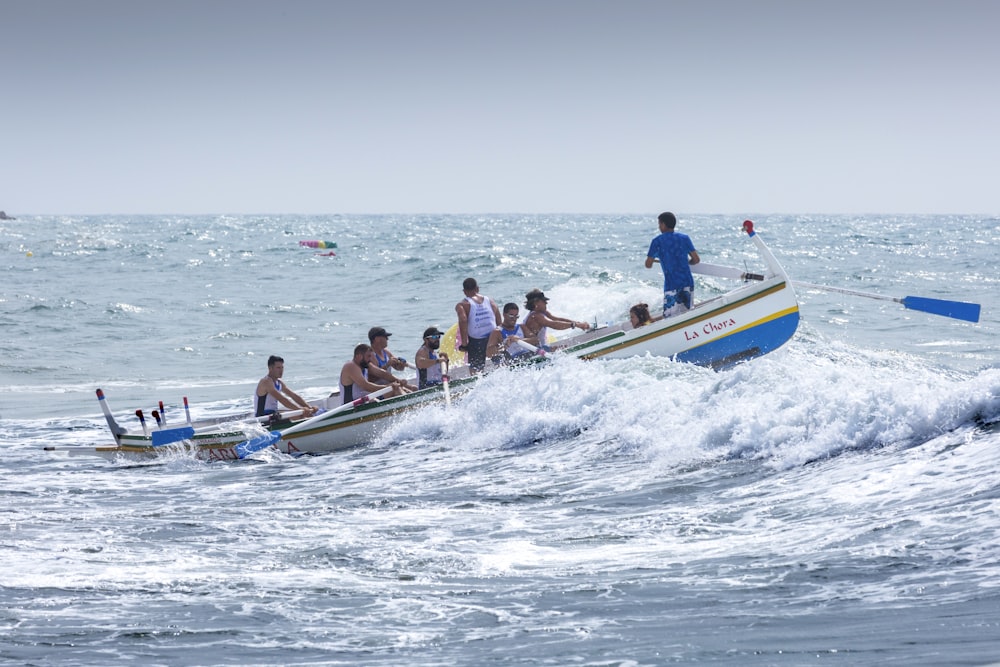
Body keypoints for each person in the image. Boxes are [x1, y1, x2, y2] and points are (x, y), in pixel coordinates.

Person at [644, 211, 700, 318]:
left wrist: (657, 258)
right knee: (688, 315)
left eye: (659, 224)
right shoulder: (685, 238)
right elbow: (696, 260)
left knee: (670, 318)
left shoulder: (657, 241)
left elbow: (648, 264)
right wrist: (686, 262)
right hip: (687, 281)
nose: (659, 227)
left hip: (671, 285)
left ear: (664, 224)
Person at [455, 277, 501, 373]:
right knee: (500, 364)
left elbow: (463, 321)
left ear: (464, 291)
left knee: (476, 371)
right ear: (477, 288)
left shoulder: (462, 305)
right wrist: (500, 336)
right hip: (493, 337)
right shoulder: (490, 300)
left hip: (477, 341)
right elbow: (498, 318)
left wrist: (464, 344)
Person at [521, 288, 590, 351]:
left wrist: (578, 323)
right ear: (535, 303)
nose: (546, 303)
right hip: (535, 351)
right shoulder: (535, 316)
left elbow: (556, 319)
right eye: (544, 301)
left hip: (542, 347)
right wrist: (575, 325)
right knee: (564, 348)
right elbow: (553, 325)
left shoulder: (541, 312)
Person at [337, 343, 404, 404]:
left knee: (397, 390)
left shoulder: (366, 365)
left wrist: (398, 380)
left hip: (365, 398)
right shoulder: (351, 366)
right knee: (391, 390)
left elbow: (382, 374)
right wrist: (388, 387)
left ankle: (408, 408)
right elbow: (366, 386)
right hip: (351, 405)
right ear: (359, 356)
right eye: (368, 356)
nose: (370, 359)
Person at [254, 355, 318, 418]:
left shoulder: (279, 383)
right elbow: (282, 399)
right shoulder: (266, 381)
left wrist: (309, 407)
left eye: (282, 367)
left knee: (306, 413)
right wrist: (300, 409)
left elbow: (294, 396)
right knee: (302, 415)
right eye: (278, 368)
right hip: (263, 417)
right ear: (270, 368)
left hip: (273, 413)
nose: (281, 370)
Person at [368, 326, 417, 391]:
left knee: (414, 388)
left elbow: (399, 368)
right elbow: (373, 378)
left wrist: (401, 364)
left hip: (389, 385)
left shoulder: (386, 352)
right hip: (378, 389)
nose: (387, 339)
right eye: (385, 337)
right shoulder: (370, 356)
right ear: (377, 339)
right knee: (407, 389)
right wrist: (387, 365)